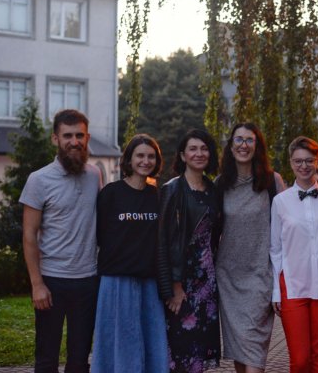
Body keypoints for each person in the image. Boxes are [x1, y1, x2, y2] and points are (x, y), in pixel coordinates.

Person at [20, 109, 101, 373]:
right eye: (67, 136)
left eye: (79, 135)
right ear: (55, 139)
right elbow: (29, 235)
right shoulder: (38, 179)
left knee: (79, 360)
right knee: (46, 359)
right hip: (51, 281)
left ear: (87, 138)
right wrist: (37, 285)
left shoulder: (95, 175)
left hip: (88, 281)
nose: (74, 141)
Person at [270, 136, 318, 373]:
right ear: (291, 163)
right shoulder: (280, 201)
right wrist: (276, 291)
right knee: (300, 359)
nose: (303, 166)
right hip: (293, 287)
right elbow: (275, 249)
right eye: (298, 161)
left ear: (317, 161)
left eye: (309, 160)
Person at [91, 134, 167, 372]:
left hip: (149, 284)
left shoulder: (158, 195)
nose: (146, 161)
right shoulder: (111, 193)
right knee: (117, 346)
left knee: (151, 345)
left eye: (151, 156)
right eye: (140, 155)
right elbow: (99, 234)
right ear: (129, 159)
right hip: (116, 281)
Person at [216, 123, 285, 373]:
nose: (243, 145)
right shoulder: (221, 184)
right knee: (239, 347)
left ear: (257, 146)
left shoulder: (272, 181)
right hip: (228, 277)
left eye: (249, 140)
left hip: (260, 276)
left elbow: (288, 226)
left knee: (253, 345)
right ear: (231, 145)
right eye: (238, 140)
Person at [156, 129, 222, 372]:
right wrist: (173, 286)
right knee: (180, 352)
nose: (199, 153)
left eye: (204, 148)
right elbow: (163, 242)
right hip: (182, 282)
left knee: (198, 353)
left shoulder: (213, 190)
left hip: (208, 282)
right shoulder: (172, 189)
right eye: (193, 149)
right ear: (183, 155)